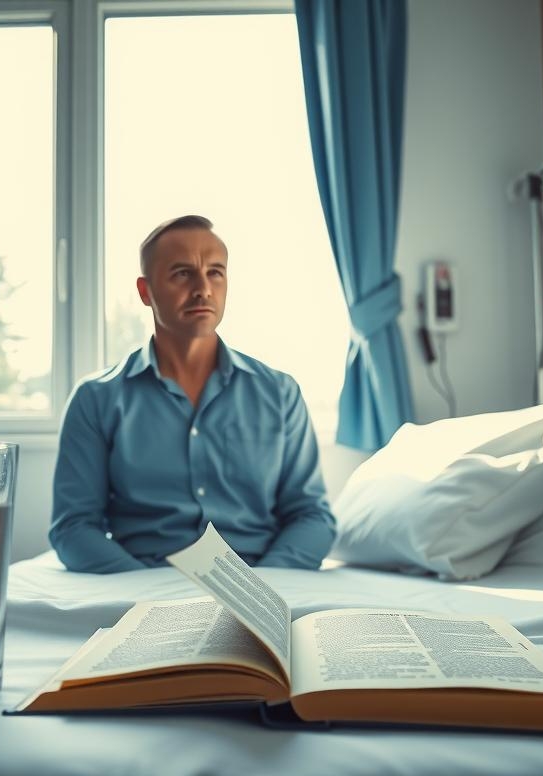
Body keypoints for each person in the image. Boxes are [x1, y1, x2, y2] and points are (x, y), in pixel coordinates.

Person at [48, 215, 336, 572]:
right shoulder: (96, 399)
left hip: (260, 578)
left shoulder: (280, 392)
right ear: (145, 291)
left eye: (215, 272)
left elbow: (312, 516)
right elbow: (73, 527)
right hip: (143, 582)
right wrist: (142, 590)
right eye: (183, 273)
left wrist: (263, 589)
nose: (203, 288)